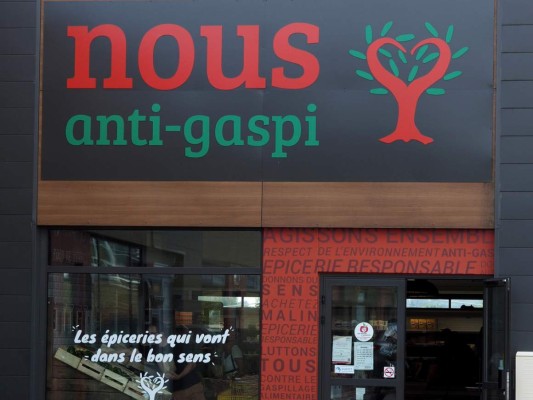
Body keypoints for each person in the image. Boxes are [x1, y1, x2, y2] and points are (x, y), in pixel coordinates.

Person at [167, 325, 206, 400]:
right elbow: (192, 364)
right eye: (188, 333)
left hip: (185, 386)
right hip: (191, 385)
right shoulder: (184, 346)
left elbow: (191, 364)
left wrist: (179, 376)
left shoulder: (174, 347)